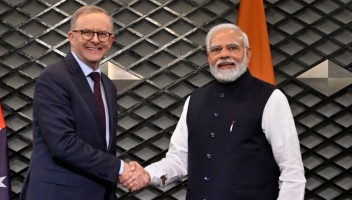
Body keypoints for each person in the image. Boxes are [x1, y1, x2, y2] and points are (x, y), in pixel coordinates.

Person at [120, 23, 306, 200]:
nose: (224, 55)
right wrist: (147, 174)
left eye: (233, 48)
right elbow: (179, 160)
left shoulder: (271, 98)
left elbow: (292, 172)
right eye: (216, 50)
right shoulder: (194, 101)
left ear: (248, 54)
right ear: (209, 56)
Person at [19, 5, 137, 200]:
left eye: (102, 34)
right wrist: (121, 168)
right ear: (71, 37)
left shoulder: (107, 85)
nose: (95, 40)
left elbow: (102, 144)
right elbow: (62, 143)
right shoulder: (54, 77)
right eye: (87, 32)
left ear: (111, 40)